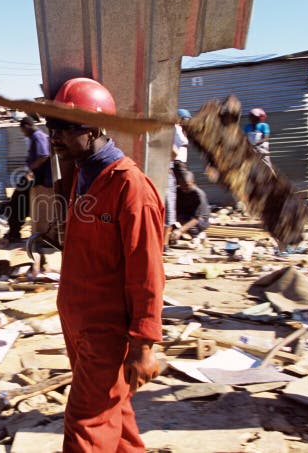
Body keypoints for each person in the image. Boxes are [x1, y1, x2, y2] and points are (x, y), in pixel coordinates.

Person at [47, 77, 163, 452]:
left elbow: (148, 272)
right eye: (51, 125)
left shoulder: (131, 188)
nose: (55, 136)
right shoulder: (82, 174)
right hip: (78, 321)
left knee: (86, 426)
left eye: (66, 127)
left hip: (106, 332)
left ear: (96, 128)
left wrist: (144, 345)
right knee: (116, 417)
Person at [20, 116, 53, 235]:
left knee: (19, 199)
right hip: (36, 175)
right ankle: (15, 228)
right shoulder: (35, 137)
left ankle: (14, 229)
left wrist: (30, 170)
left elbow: (44, 155)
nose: (23, 134)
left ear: (27, 127)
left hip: (39, 175)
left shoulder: (38, 136)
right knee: (21, 199)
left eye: (23, 131)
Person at [165, 108, 191, 251]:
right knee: (178, 194)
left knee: (174, 196)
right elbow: (176, 149)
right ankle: (165, 242)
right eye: (186, 119)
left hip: (176, 163)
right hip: (176, 163)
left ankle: (168, 238)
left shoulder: (177, 129)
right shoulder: (175, 128)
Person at [169, 171, 210, 246]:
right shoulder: (178, 190)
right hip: (186, 215)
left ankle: (198, 236)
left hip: (200, 220)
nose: (184, 188)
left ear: (193, 182)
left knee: (191, 223)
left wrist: (180, 230)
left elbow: (196, 219)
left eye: (187, 185)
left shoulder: (199, 195)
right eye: (182, 185)